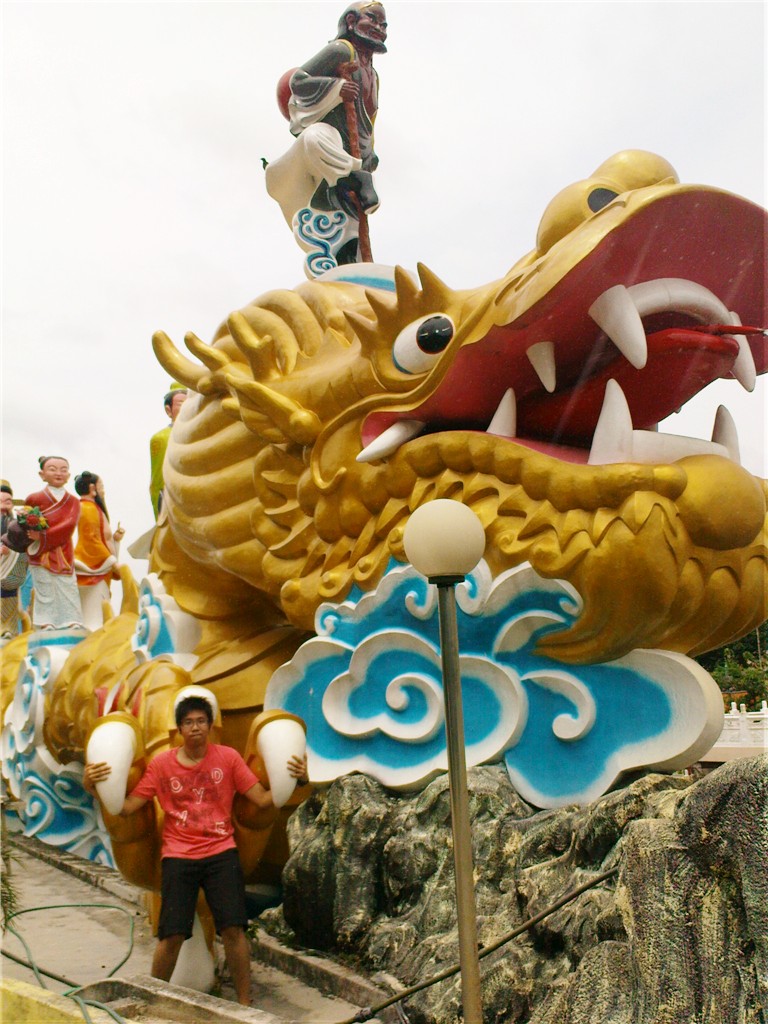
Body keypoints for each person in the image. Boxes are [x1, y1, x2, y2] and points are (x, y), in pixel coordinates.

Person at [84, 693, 309, 1006]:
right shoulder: (162, 765)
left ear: (210, 726)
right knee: (172, 936)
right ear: (179, 729)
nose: (195, 727)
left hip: (221, 854)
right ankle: (152, 998)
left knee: (233, 931)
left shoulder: (228, 758)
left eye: (201, 721)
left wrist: (298, 780)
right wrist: (92, 786)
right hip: (179, 857)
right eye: (188, 722)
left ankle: (245, 1003)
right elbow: (126, 807)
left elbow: (260, 799)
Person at [265, 1, 387, 263]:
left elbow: (368, 119)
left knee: (348, 216)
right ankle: (353, 177)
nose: (379, 28)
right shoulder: (342, 51)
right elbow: (299, 81)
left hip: (353, 152)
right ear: (352, 21)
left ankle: (348, 258)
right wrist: (337, 89)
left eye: (383, 24)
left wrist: (369, 152)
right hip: (333, 140)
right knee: (314, 137)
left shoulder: (373, 75)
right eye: (373, 20)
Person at [24, 456, 82, 629]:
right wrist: (31, 533)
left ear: (68, 475)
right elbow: (26, 524)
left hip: (63, 550)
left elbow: (69, 526)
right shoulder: (33, 498)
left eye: (63, 470)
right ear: (42, 474)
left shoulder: (73, 501)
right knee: (44, 588)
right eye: (52, 469)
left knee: (67, 586)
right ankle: (45, 621)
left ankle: (71, 619)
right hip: (40, 552)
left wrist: (41, 537)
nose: (58, 473)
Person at [73, 471, 125, 630]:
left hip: (99, 566)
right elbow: (91, 540)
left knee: (99, 612)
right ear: (92, 488)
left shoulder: (91, 507)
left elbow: (101, 538)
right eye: (101, 486)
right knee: (94, 616)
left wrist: (115, 541)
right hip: (92, 567)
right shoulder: (87, 508)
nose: (103, 490)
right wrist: (112, 562)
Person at [150, 385, 187, 519]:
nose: (186, 407)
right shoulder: (161, 438)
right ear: (168, 410)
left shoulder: (200, 435)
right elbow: (157, 480)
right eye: (180, 404)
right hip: (172, 499)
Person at [1, 481, 31, 638]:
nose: (3, 506)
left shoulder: (14, 525)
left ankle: (9, 629)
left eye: (7, 502)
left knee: (10, 597)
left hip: (11, 570)